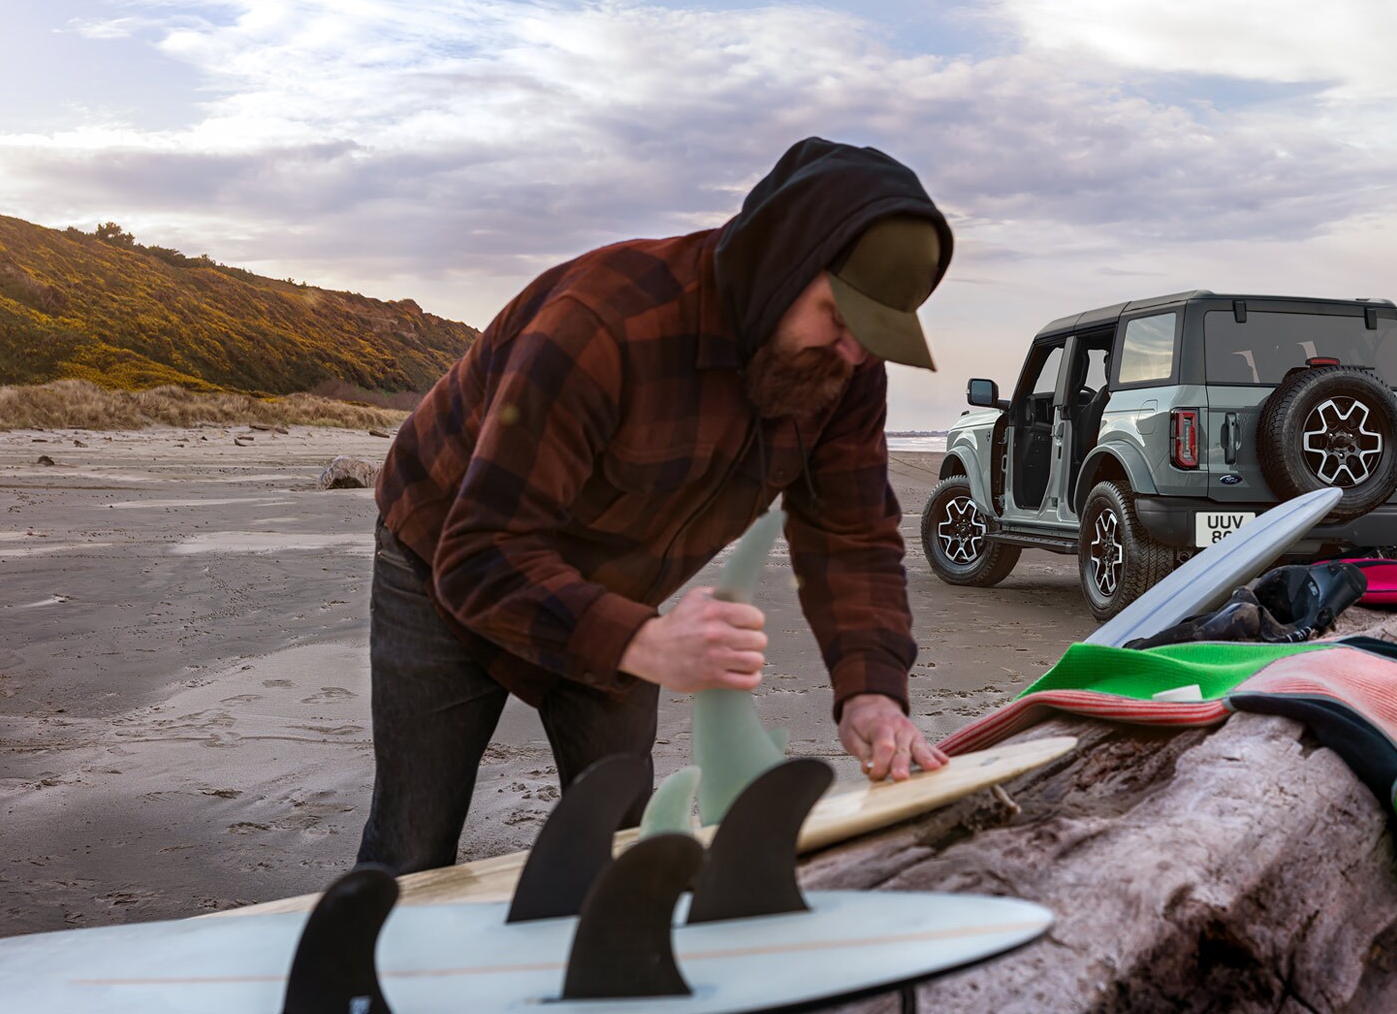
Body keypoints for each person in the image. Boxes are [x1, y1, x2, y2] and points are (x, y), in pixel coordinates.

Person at [357, 137, 954, 875]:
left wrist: (871, 690)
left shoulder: (842, 368)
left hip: (611, 587)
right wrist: (647, 642)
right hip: (444, 555)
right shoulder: (603, 321)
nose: (853, 354)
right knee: (414, 842)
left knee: (623, 837)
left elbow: (852, 535)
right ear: (779, 262)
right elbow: (479, 555)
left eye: (874, 337)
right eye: (839, 316)